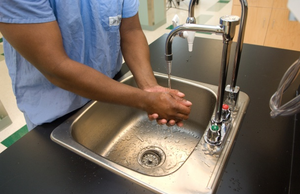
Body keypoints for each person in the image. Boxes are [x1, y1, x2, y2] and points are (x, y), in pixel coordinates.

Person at [0, 0, 192, 131]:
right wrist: (145, 100)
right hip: (56, 114)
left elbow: (131, 31)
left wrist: (149, 87)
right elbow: (56, 67)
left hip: (110, 94)